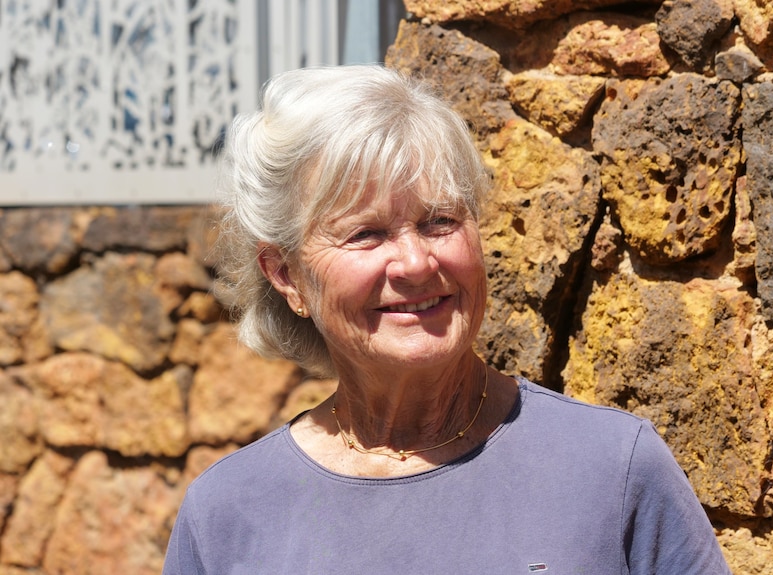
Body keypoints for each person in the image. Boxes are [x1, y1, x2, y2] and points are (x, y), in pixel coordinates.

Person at [163, 65, 731, 574]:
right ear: (286, 276)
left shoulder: (612, 468)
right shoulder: (228, 514)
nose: (415, 262)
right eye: (366, 233)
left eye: (439, 221)